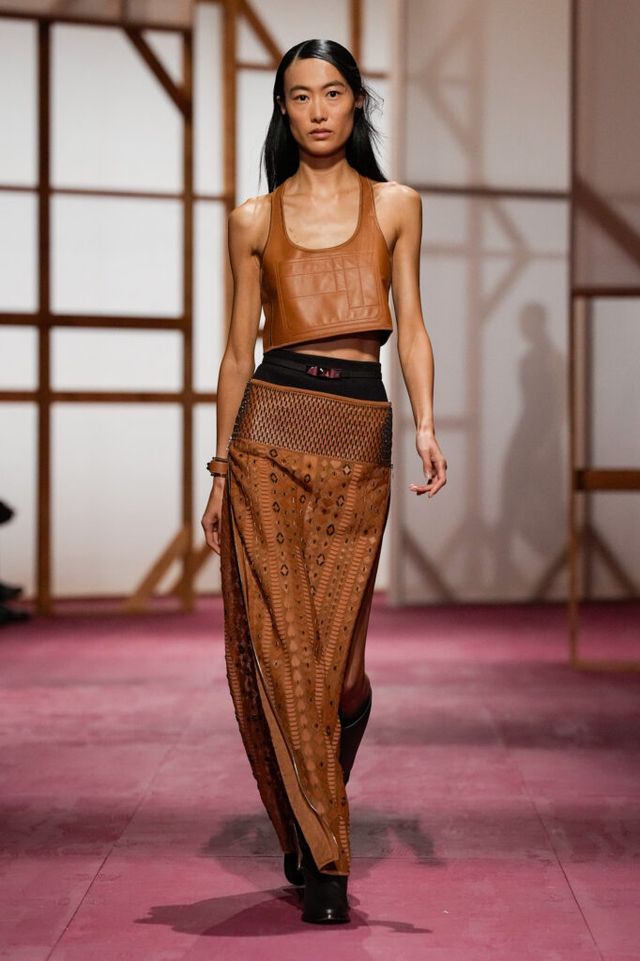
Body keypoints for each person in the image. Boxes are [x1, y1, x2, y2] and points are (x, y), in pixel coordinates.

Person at [201, 38, 447, 924]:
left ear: (356, 104)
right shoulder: (252, 219)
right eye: (300, 95)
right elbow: (237, 352)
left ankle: (311, 807)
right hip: (269, 430)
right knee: (280, 648)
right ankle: (325, 858)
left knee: (340, 669)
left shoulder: (396, 205)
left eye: (333, 92)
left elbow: (411, 324)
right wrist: (220, 470)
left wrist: (425, 422)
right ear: (283, 108)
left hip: (356, 434)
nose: (317, 110)